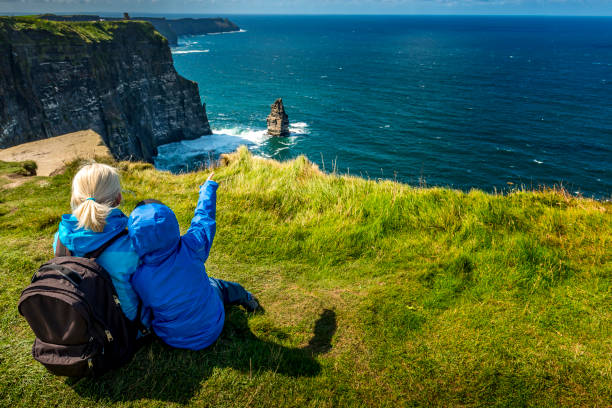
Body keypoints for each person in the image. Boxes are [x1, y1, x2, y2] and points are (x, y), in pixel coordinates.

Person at [127, 172, 260, 350]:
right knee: (217, 285)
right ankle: (247, 298)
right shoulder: (192, 246)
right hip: (213, 327)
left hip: (172, 338)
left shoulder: (138, 277)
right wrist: (208, 188)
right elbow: (204, 218)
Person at [53, 163, 148, 327]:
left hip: (81, 324)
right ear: (118, 198)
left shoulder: (60, 238)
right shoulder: (129, 244)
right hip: (128, 328)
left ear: (76, 198)